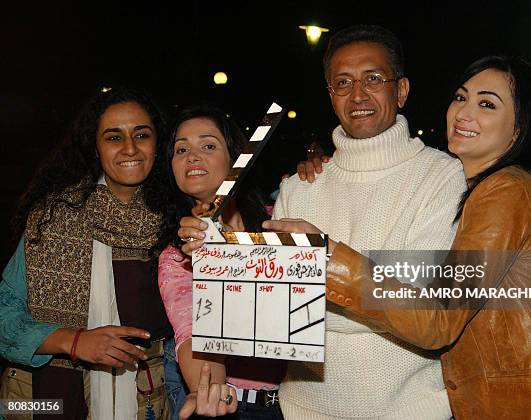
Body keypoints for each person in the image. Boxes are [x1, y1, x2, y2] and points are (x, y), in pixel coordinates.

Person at [292, 56, 531, 418]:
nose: (464, 113)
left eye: (487, 104)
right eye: (461, 98)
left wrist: (330, 258)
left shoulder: (506, 192)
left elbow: (440, 317)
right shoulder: (477, 189)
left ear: (520, 128)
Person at [181, 24, 465, 419]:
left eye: (374, 78)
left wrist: (323, 261)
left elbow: (423, 311)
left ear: (400, 90)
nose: (358, 95)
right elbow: (273, 320)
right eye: (342, 83)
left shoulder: (443, 177)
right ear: (330, 96)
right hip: (303, 409)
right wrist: (221, 261)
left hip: (410, 409)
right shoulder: (300, 187)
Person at [0, 87, 179, 419]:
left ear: (159, 143)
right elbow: (3, 314)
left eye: (141, 134)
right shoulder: (54, 216)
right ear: (95, 148)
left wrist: (305, 175)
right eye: (114, 137)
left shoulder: (176, 221)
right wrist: (72, 341)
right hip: (39, 399)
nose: (130, 148)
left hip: (144, 399)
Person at [155, 104, 286, 419]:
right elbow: (192, 332)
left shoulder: (281, 222)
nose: (192, 156)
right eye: (181, 149)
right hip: (235, 406)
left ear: (237, 159)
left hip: (301, 404)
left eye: (208, 145)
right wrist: (206, 390)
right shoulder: (177, 256)